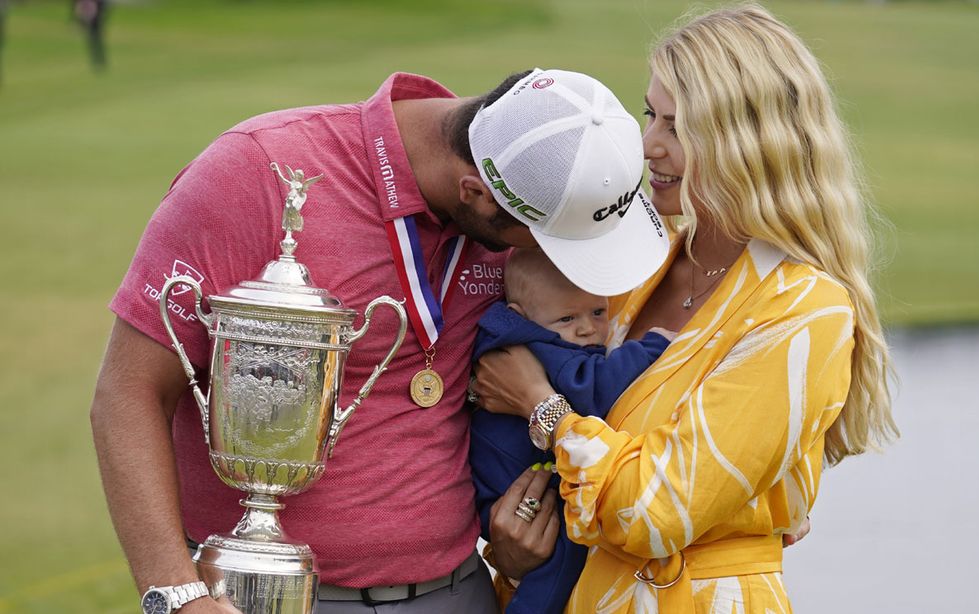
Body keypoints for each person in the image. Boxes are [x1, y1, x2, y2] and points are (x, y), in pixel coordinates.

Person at [90, 68, 668, 613]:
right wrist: (177, 593)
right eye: (550, 243)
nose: (556, 264)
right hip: (273, 593)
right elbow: (129, 392)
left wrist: (511, 546)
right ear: (476, 194)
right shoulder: (257, 172)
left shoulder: (516, 176)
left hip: (461, 588)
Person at [472, 5, 898, 613]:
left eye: (677, 127)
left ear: (748, 142)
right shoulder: (633, 269)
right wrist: (514, 555)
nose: (648, 145)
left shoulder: (805, 311)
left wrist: (542, 407)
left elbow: (655, 510)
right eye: (651, 114)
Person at [470, 247, 674, 614]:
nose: (586, 328)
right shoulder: (539, 347)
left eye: (598, 311)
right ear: (521, 314)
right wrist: (651, 348)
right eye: (567, 318)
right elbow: (591, 389)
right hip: (512, 486)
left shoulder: (528, 332)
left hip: (505, 479)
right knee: (563, 556)